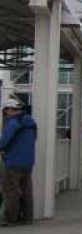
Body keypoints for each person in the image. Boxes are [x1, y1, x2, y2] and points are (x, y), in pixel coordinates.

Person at [0, 96, 37, 227]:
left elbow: (3, 142)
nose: (5, 114)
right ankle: (27, 218)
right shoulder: (31, 122)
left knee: (11, 191)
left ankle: (11, 219)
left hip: (14, 162)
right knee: (26, 190)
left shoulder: (13, 123)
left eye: (5, 111)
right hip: (28, 161)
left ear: (10, 109)